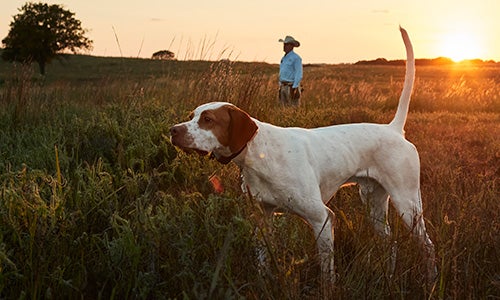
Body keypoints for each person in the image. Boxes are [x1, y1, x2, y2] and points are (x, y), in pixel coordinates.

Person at [278, 35, 303, 106]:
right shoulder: (283, 58)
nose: (284, 46)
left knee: (293, 108)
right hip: (283, 86)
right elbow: (281, 72)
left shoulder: (296, 58)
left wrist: (294, 87)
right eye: (284, 44)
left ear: (292, 46)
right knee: (283, 110)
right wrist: (280, 86)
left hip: (291, 86)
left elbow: (299, 73)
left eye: (287, 44)